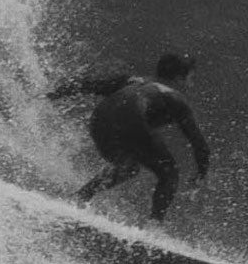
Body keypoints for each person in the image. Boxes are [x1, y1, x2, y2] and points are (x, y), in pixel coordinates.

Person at [46, 53, 210, 221]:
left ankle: (79, 197)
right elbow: (199, 143)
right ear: (180, 76)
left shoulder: (132, 80)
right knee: (169, 172)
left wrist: (53, 95)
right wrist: (201, 173)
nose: (192, 80)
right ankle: (154, 226)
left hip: (100, 120)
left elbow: (89, 85)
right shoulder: (176, 98)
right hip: (132, 119)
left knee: (129, 167)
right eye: (191, 75)